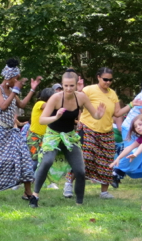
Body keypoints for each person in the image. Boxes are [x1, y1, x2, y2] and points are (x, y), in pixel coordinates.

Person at [31, 68, 105, 207]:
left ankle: (79, 203)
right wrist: (56, 116)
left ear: (77, 84)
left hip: (70, 137)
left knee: (80, 170)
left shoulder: (81, 97)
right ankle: (35, 196)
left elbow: (95, 115)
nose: (68, 89)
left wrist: (99, 115)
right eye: (65, 86)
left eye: (71, 85)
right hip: (53, 135)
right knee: (47, 162)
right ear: (62, 84)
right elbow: (42, 120)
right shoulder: (56, 98)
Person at [78, 67, 141, 200]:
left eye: (110, 80)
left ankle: (104, 192)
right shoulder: (89, 90)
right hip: (89, 128)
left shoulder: (112, 93)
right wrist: (78, 90)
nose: (108, 82)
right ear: (98, 77)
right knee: (85, 158)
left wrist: (131, 104)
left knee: (107, 161)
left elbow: (117, 113)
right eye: (105, 79)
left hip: (106, 131)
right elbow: (77, 102)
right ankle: (68, 183)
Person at [0, 58, 41, 202]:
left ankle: (27, 191)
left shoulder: (12, 91)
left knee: (24, 155)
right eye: (16, 78)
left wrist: (32, 89)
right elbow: (3, 106)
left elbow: (21, 105)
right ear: (8, 78)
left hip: (10, 131)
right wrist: (15, 90)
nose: (18, 81)